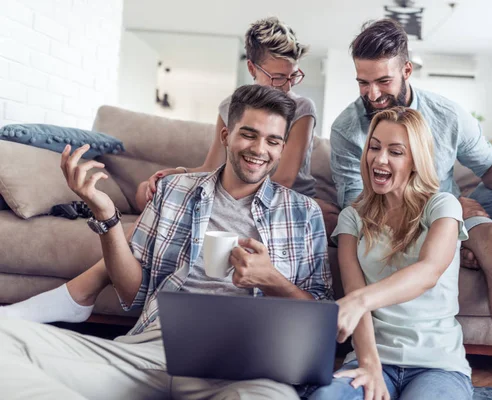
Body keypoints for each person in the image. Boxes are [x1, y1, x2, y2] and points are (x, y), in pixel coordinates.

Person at [0, 84, 333, 399]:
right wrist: (106, 215)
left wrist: (272, 280)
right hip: (154, 350)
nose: (260, 149)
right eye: (249, 134)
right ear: (226, 136)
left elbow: (321, 322)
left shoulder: (303, 213)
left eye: (273, 141)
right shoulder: (174, 191)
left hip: (248, 365)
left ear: (283, 148)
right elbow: (132, 293)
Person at [0, 16, 338, 324]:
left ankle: (79, 294)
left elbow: (283, 177)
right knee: (165, 208)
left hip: (291, 193)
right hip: (229, 188)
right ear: (252, 67)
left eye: (293, 76)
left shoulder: (299, 108)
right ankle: (79, 295)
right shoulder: (232, 107)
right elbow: (212, 166)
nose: (285, 85)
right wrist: (175, 176)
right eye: (276, 76)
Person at [329, 19, 492, 400]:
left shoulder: (447, 114)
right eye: (362, 82)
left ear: (406, 70)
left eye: (382, 81)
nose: (372, 93)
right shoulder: (346, 129)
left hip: (444, 208)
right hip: (381, 211)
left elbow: (489, 166)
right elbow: (360, 201)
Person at [306, 107, 472, 399]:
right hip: (372, 358)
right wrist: (369, 365)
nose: (379, 159)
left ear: (415, 161)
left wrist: (358, 301)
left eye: (395, 152)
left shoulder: (443, 207)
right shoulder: (352, 218)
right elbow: (355, 290)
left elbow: (428, 272)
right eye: (374, 147)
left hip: (437, 365)